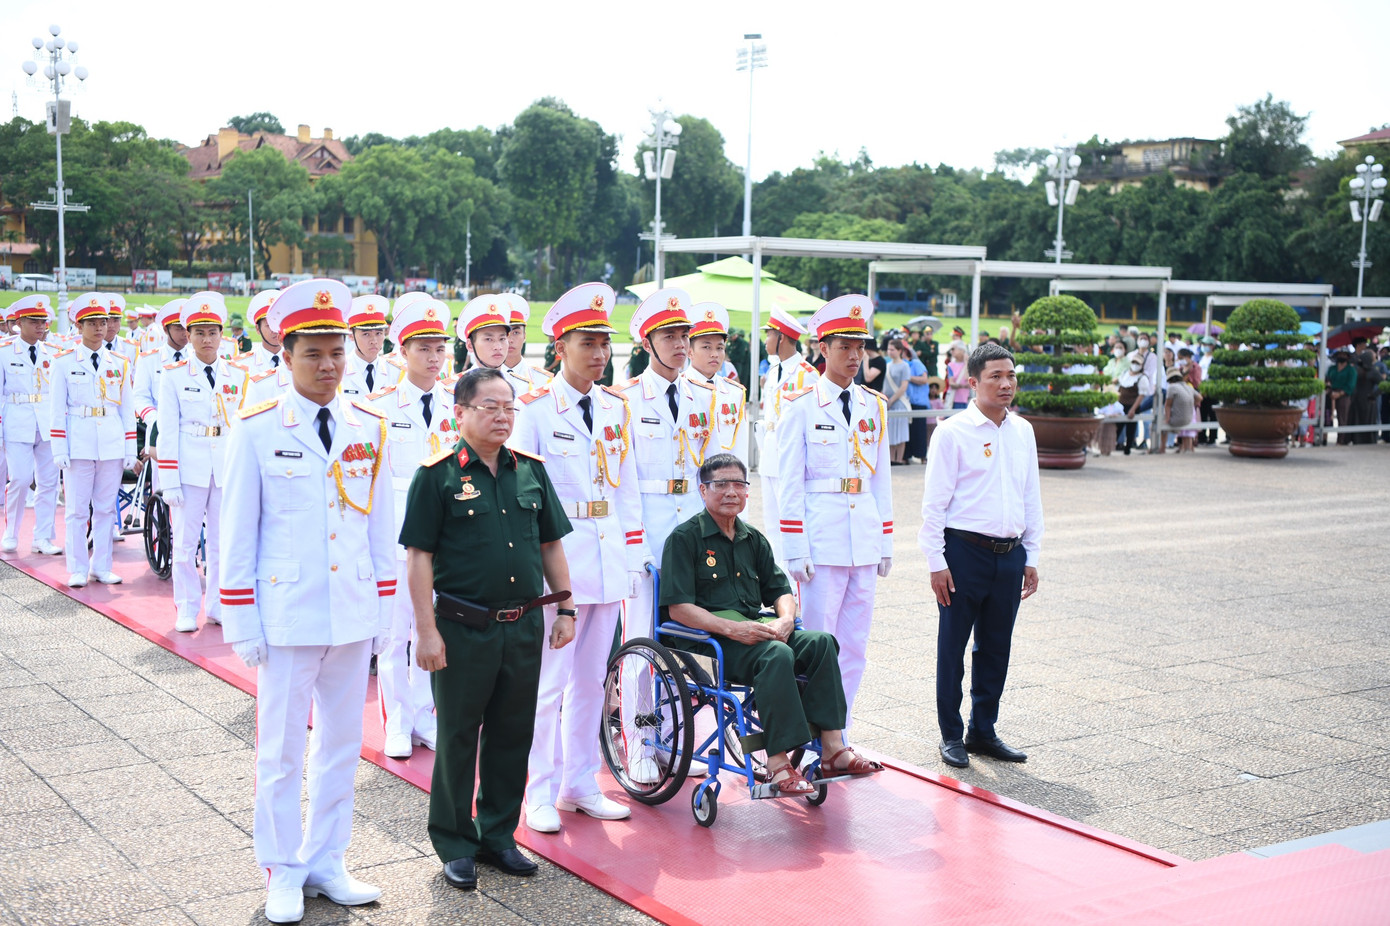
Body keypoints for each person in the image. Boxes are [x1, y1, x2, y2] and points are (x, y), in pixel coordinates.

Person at [219, 278, 397, 924]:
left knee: (342, 745)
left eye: (337, 352)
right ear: (285, 353)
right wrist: (241, 617)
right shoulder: (258, 428)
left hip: (350, 612)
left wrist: (383, 611)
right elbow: (236, 533)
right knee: (282, 751)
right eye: (313, 353)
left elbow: (380, 528)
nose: (328, 366)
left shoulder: (369, 426)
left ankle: (326, 858)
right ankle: (283, 868)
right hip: (287, 617)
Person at [401, 366, 576, 891]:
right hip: (462, 627)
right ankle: (456, 842)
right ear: (461, 413)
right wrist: (426, 631)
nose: (502, 417)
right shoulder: (437, 476)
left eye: (509, 408)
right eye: (489, 407)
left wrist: (565, 609)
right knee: (457, 736)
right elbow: (419, 558)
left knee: (511, 734)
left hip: (522, 625)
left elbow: (550, 545)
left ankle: (498, 834)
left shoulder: (530, 471)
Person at [662, 453, 883, 794]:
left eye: (738, 484)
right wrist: (732, 629)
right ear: (703, 491)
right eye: (721, 484)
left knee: (821, 642)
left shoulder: (754, 539)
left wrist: (785, 619)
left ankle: (833, 748)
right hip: (714, 641)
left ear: (747, 492)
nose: (731, 492)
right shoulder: (684, 539)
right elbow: (678, 609)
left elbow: (781, 591)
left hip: (760, 632)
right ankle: (777, 763)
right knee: (777, 655)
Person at [510, 283, 645, 833]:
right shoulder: (536, 411)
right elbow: (523, 498)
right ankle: (537, 791)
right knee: (548, 683)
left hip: (608, 555)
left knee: (592, 679)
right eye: (587, 342)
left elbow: (628, 489)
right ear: (560, 346)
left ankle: (579, 782)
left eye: (603, 343)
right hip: (559, 565)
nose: (599, 353)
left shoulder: (616, 407)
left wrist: (634, 558)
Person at [920, 342, 1043, 770]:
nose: (1006, 383)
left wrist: (1031, 554)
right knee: (952, 647)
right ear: (972, 382)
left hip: (1008, 554)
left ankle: (983, 730)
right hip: (963, 554)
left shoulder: (1022, 430)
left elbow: (1031, 497)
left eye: (1011, 375)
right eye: (995, 376)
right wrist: (936, 561)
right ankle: (951, 734)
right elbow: (934, 504)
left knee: (996, 647)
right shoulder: (953, 432)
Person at [778, 295, 893, 721]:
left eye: (859, 346)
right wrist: (794, 546)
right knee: (818, 642)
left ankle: (838, 733)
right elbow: (788, 483)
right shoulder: (801, 407)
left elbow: (880, 479)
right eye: (844, 346)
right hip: (821, 541)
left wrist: (886, 541)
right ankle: (810, 740)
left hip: (862, 538)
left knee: (855, 645)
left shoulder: (873, 406)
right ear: (822, 349)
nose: (854, 355)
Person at [369, 298, 463, 759]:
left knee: (435, 630)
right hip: (395, 536)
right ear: (402, 351)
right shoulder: (380, 407)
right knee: (395, 632)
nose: (433, 356)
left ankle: (426, 714)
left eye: (439, 347)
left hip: (445, 538)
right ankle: (397, 721)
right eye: (423, 347)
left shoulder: (456, 405)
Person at [156, 293, 248, 632]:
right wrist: (169, 481)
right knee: (184, 542)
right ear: (188, 335)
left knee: (224, 541)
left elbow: (243, 428)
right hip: (190, 467)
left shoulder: (238, 375)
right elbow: (166, 431)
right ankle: (186, 606)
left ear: (222, 334)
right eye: (199, 333)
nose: (206, 339)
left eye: (212, 332)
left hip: (225, 468)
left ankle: (218, 603)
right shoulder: (174, 375)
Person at [49, 293, 137, 587]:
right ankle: (77, 567)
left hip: (111, 441)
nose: (101, 328)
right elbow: (56, 411)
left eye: (104, 322)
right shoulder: (63, 363)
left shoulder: (121, 363)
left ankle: (101, 565)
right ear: (79, 326)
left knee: (104, 508)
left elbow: (127, 409)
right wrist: (59, 448)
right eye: (93, 323)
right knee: (76, 509)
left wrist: (129, 448)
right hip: (79, 441)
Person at [0, 294, 63, 555]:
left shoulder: (55, 353)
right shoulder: (4, 352)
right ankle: (11, 532)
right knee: (21, 479)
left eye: (44, 322)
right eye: (34, 321)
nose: (41, 326)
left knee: (49, 483)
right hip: (17, 422)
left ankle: (42, 537)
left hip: (47, 423)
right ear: (20, 322)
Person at [757, 307, 818, 570]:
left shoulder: (807, 373)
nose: (766, 340)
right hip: (769, 455)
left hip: (791, 456)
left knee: (791, 519)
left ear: (782, 337)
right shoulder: (773, 373)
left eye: (769, 334)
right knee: (772, 523)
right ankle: (780, 580)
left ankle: (795, 580)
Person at [684, 302, 748, 465]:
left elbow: (740, 446)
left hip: (725, 482)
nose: (714, 354)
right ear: (689, 351)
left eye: (720, 348)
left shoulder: (735, 392)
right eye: (706, 347)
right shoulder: (680, 389)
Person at [498, 295, 552, 395]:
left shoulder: (543, 380)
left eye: (516, 333)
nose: (509, 340)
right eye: (504, 335)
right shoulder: (480, 379)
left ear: (524, 336)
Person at [339, 294, 391, 398]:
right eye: (366, 334)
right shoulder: (339, 370)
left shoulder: (395, 371)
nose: (374, 341)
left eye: (379, 333)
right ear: (351, 336)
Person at [240, 290, 285, 376]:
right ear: (257, 328)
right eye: (269, 325)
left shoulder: (296, 361)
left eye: (278, 324)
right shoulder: (244, 364)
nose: (275, 330)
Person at [882, 339, 912, 464]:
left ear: (900, 351)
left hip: (899, 402)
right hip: (889, 403)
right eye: (889, 349)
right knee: (890, 433)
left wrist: (892, 400)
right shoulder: (887, 365)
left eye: (892, 349)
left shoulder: (904, 366)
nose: (890, 352)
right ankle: (891, 459)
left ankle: (899, 459)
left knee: (900, 433)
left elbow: (903, 386)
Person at [1163, 366, 1199, 453]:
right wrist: (1191, 404)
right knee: (1187, 433)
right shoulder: (1188, 387)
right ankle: (1187, 448)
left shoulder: (1172, 387)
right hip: (1189, 418)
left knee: (1159, 425)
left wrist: (1167, 419)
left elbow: (1167, 405)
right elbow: (1199, 398)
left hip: (1178, 420)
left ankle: (1161, 448)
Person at [1327, 350, 1357, 446]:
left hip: (1344, 394)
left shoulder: (1351, 370)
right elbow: (1327, 379)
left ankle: (1341, 440)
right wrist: (1329, 389)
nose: (1341, 356)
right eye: (1340, 355)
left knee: (1343, 418)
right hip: (1331, 393)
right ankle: (1323, 438)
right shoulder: (1332, 368)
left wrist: (1340, 394)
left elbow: (1351, 385)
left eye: (1343, 355)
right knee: (1327, 416)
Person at [945, 344, 971, 408]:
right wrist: (963, 386)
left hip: (966, 398)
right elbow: (951, 383)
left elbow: (967, 379)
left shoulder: (969, 364)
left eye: (953, 349)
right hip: (954, 399)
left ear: (962, 350)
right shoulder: (950, 365)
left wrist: (966, 362)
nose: (951, 351)